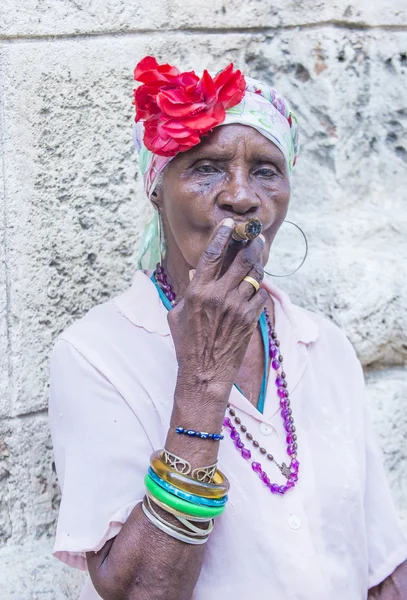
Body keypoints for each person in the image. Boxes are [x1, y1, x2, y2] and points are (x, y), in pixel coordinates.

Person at [48, 56, 407, 600]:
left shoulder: (323, 345)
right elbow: (142, 591)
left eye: (265, 169)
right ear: (156, 187)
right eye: (207, 166)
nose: (241, 195)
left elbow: (381, 565)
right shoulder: (97, 354)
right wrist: (203, 381)